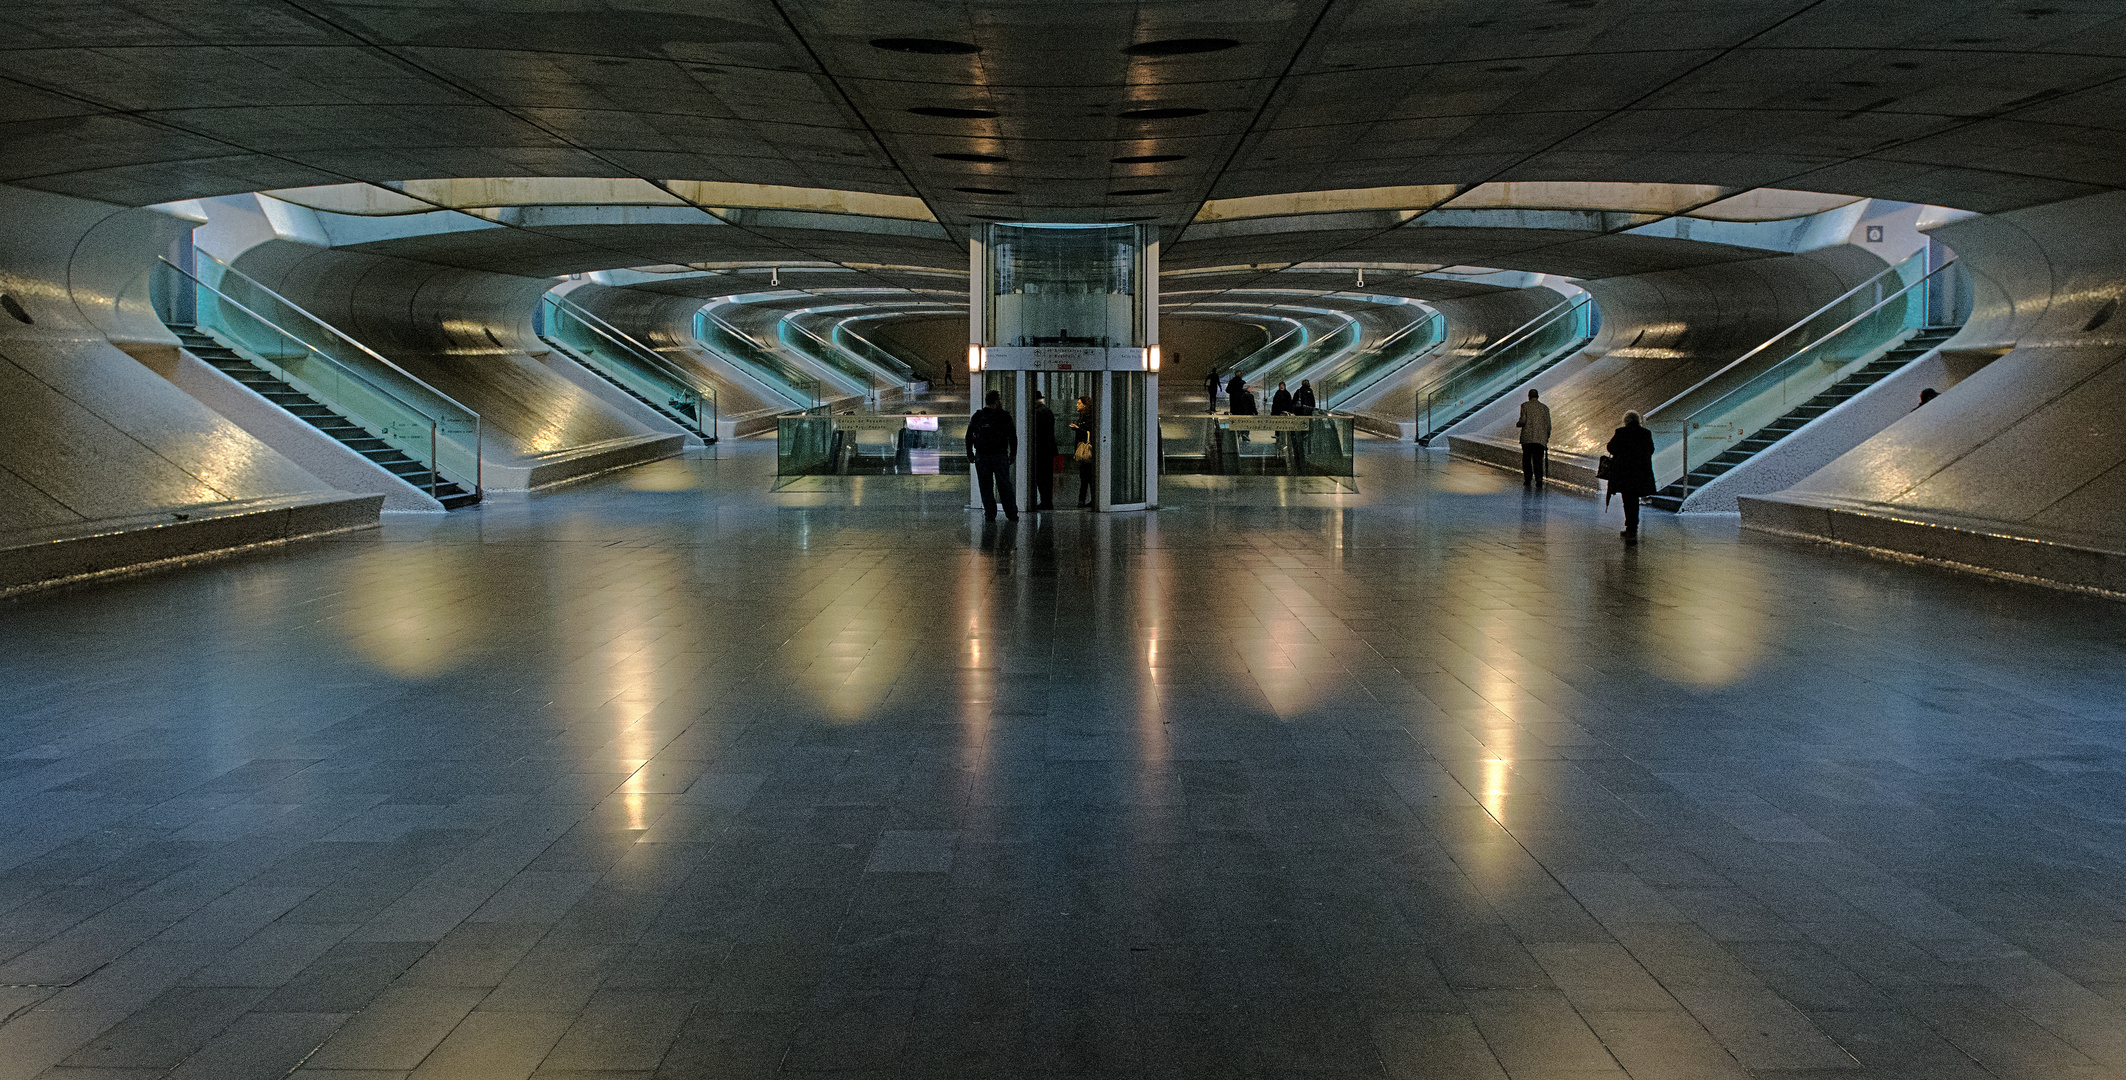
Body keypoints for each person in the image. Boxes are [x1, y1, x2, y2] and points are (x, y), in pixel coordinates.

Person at [965, 390, 1018, 521]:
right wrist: (1013, 453)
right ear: (996, 401)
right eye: (999, 399)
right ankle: (1011, 513)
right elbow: (1012, 435)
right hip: (999, 455)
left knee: (985, 486)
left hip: (982, 456)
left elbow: (969, 436)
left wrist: (970, 453)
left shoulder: (978, 416)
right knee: (1004, 485)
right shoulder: (1004, 416)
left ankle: (990, 514)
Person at [1606, 411, 1657, 540]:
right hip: (1640, 473)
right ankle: (1633, 527)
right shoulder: (1646, 433)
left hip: (1624, 473)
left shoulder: (1621, 432)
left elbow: (1610, 447)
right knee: (1635, 500)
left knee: (1628, 501)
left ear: (1626, 421)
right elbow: (1651, 450)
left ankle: (1630, 528)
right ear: (1638, 420)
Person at [1517, 388, 1552, 489]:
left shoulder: (1525, 406)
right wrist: (1546, 438)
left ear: (1529, 396)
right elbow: (1548, 426)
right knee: (1538, 460)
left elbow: (1523, 421)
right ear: (1538, 396)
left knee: (1527, 459)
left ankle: (1528, 479)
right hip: (1540, 439)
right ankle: (1539, 479)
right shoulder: (1545, 408)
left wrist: (1518, 424)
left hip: (1527, 439)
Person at [1030, 390, 1057, 511]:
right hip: (1048, 449)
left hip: (1041, 450)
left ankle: (1045, 502)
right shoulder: (1047, 411)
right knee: (1047, 477)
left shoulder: (1038, 413)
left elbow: (1038, 432)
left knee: (1041, 477)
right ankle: (1047, 501)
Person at [1071, 396, 1096, 507]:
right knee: (1085, 476)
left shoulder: (1089, 418)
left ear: (1085, 405)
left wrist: (1078, 429)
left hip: (1087, 449)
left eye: (1079, 403)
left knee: (1086, 476)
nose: (1077, 405)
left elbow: (1089, 432)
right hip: (1082, 448)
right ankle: (1088, 499)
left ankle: (1083, 500)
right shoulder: (1082, 417)